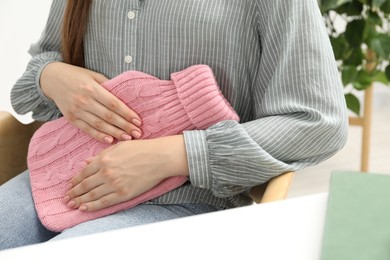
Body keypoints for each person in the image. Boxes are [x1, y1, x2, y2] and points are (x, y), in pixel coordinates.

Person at [1, 0, 348, 250]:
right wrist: (51, 76)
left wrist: (175, 155)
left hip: (189, 202)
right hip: (61, 180)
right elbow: (42, 63)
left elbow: (318, 122)